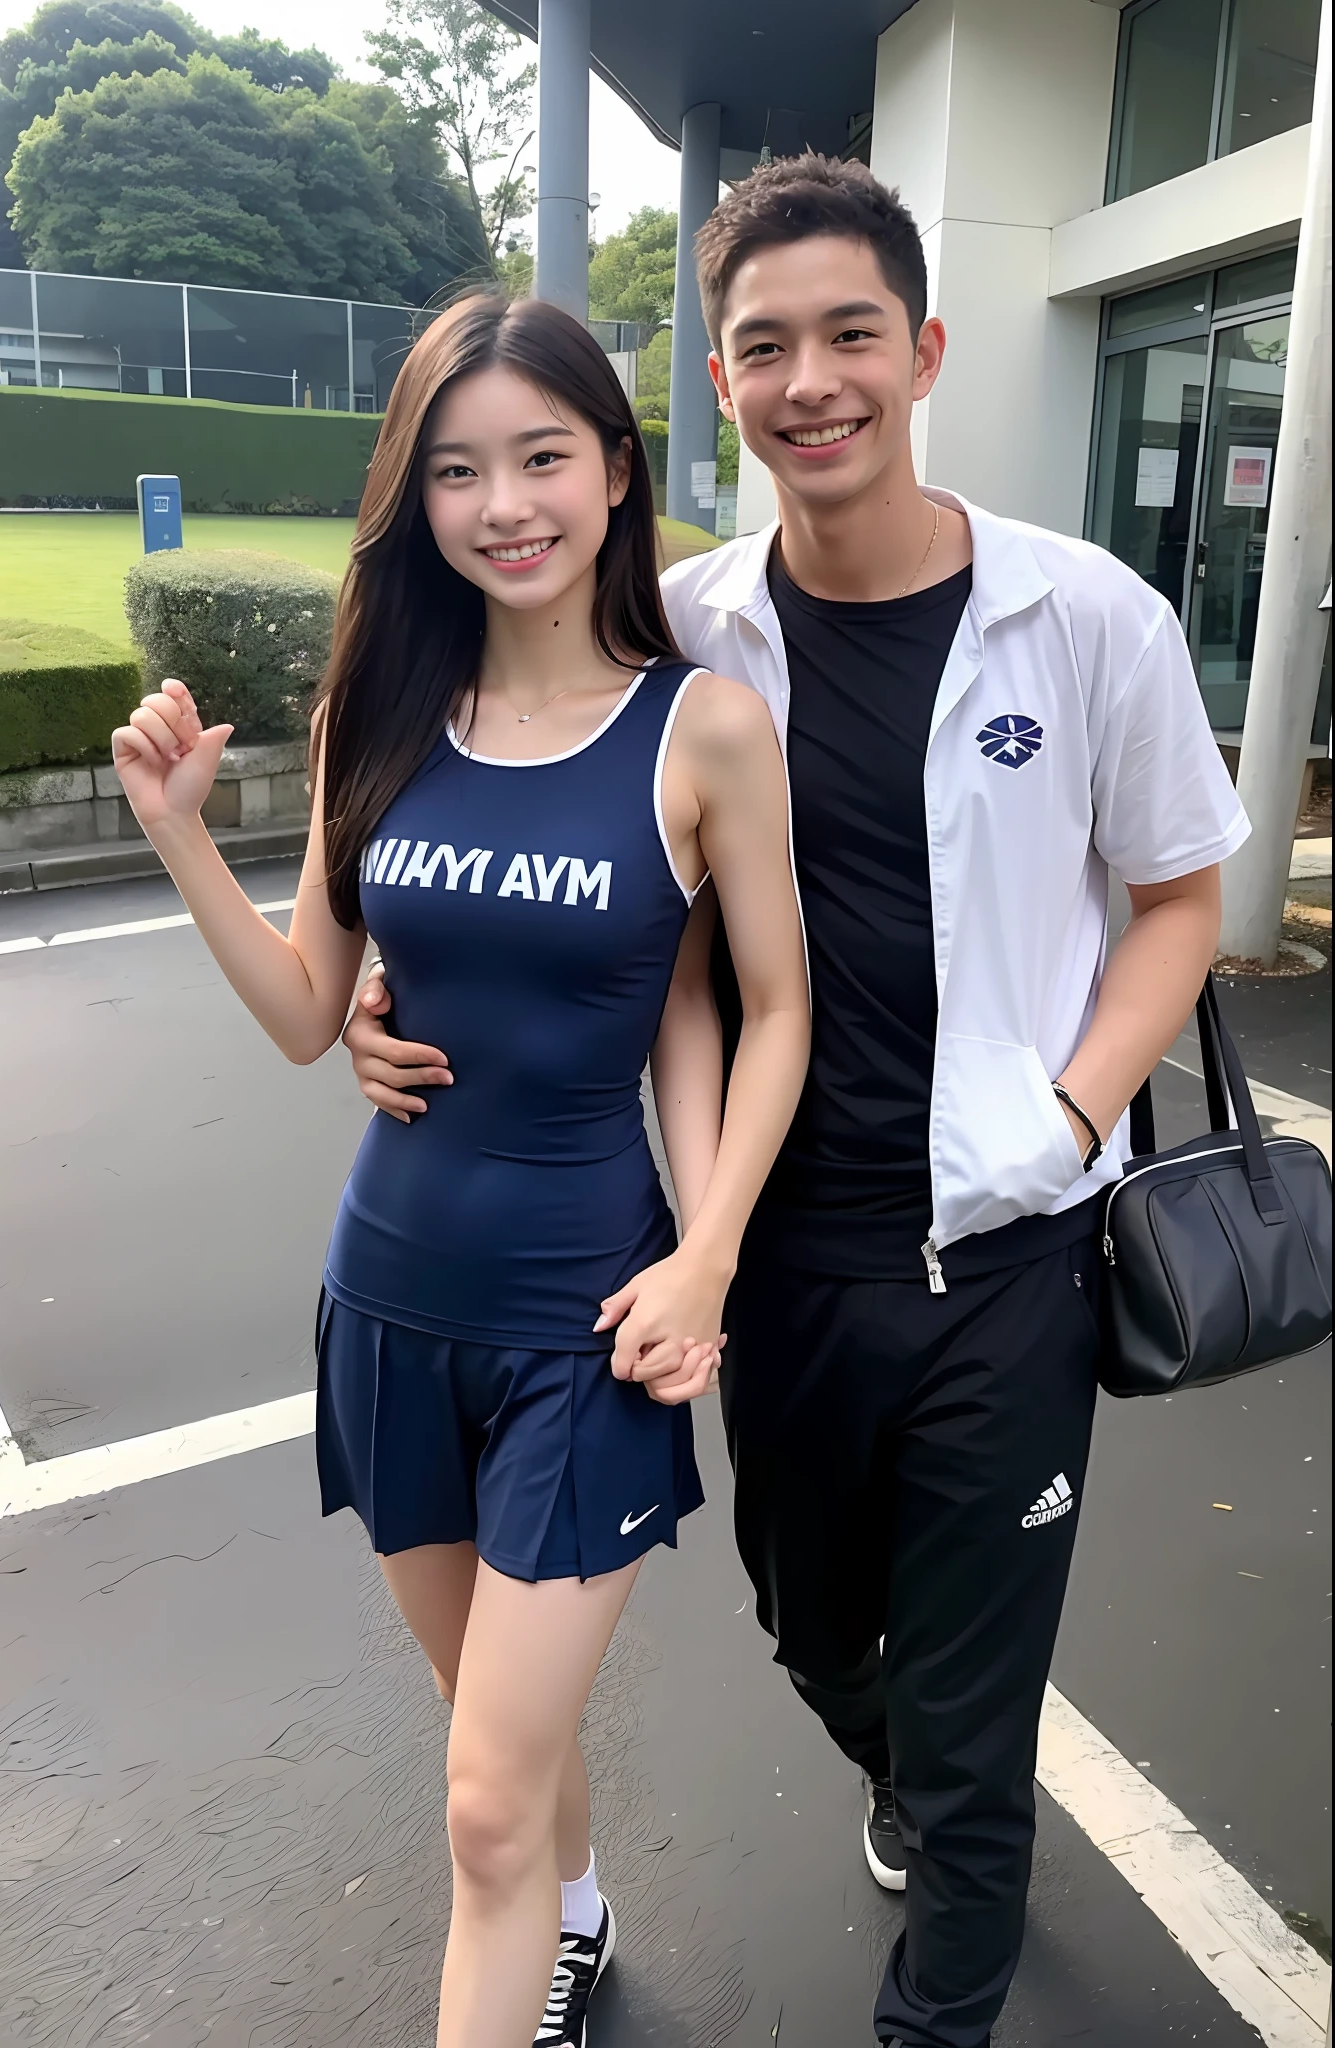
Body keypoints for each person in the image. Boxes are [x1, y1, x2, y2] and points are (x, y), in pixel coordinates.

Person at [344, 160, 1250, 2047]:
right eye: (765, 347)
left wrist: (1078, 1116)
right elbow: (546, 838)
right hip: (763, 1261)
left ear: (920, 353)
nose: (811, 379)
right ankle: (899, 1762)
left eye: (852, 335)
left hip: (1006, 1254)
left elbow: (1182, 900)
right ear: (720, 382)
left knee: (981, 1719)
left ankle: (947, 1987)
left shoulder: (1085, 621)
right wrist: (379, 986)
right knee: (816, 1629)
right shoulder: (675, 630)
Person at [110, 292, 809, 2048]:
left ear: (617, 471)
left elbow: (754, 1010)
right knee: (497, 1736)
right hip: (390, 1302)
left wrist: (709, 1255)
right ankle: (574, 1922)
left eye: (542, 457)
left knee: (481, 1795)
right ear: (413, 499)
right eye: (456, 469)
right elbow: (302, 1010)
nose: (505, 503)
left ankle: (540, 1911)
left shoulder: (704, 731)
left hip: (588, 1326)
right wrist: (182, 833)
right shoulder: (381, 711)